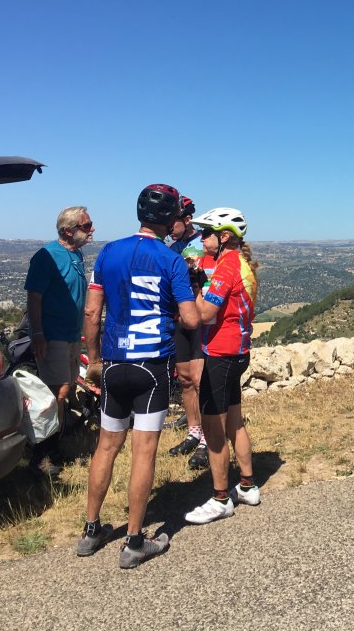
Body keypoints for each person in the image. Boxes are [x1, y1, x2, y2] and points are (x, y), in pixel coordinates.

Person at [76, 184, 199, 568]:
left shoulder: (108, 251)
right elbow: (192, 318)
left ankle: (91, 530)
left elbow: (93, 314)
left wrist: (94, 357)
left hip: (114, 362)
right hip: (152, 365)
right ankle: (133, 541)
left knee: (106, 447)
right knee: (144, 451)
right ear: (170, 219)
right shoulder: (171, 259)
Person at [184, 207, 262, 524]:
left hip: (221, 351)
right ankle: (247, 485)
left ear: (224, 236)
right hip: (237, 350)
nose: (202, 239)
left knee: (214, 429)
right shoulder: (236, 263)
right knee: (235, 420)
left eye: (206, 233)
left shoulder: (227, 266)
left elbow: (203, 314)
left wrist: (196, 289)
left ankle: (220, 499)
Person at [23, 206, 94, 476]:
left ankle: (54, 446)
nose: (92, 230)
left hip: (71, 335)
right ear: (68, 230)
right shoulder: (46, 256)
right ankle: (41, 454)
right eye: (86, 226)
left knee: (63, 391)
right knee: (56, 393)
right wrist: (38, 334)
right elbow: (34, 298)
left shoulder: (75, 255)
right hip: (52, 336)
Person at [165, 196, 209, 469]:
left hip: (200, 318)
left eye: (173, 222)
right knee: (184, 380)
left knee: (200, 379)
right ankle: (194, 432)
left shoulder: (205, 244)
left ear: (187, 219)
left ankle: (208, 439)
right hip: (178, 318)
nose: (169, 227)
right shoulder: (172, 247)